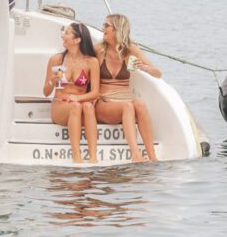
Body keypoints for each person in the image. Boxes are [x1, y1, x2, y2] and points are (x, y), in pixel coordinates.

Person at [95, 14, 160, 163]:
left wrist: (144, 68)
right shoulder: (98, 50)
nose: (103, 29)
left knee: (140, 105)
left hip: (124, 99)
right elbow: (82, 63)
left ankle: (152, 156)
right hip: (104, 103)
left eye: (106, 26)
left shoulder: (130, 49)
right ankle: (136, 155)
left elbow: (158, 73)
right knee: (128, 107)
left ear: (117, 29)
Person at [43, 22, 100, 163]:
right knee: (77, 106)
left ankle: (93, 157)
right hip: (60, 107)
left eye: (67, 33)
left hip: (78, 107)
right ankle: (77, 157)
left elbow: (95, 93)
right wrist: (52, 82)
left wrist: (77, 98)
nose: (63, 36)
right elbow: (46, 92)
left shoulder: (91, 62)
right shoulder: (56, 60)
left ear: (77, 40)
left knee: (87, 106)